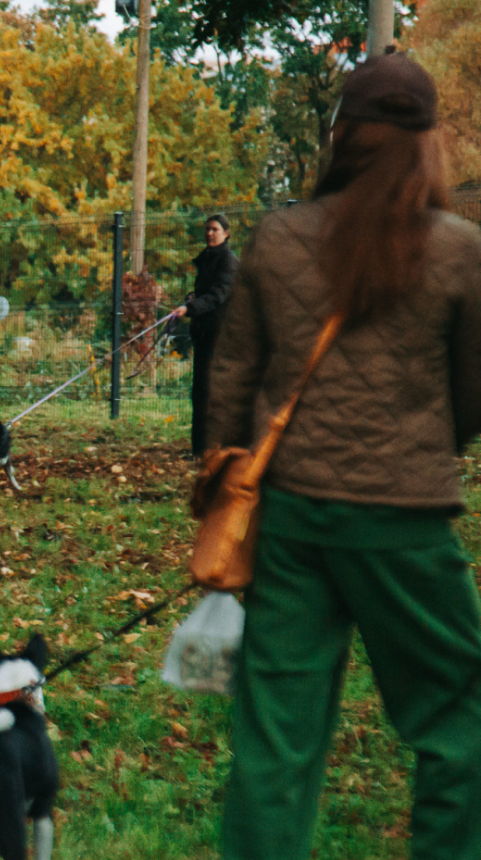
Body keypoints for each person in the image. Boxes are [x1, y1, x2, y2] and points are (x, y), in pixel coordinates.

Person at [208, 53, 481, 860]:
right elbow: (473, 395)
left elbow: (232, 380)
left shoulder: (280, 237)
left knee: (275, 740)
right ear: (427, 146)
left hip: (289, 518)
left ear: (341, 139)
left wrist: (230, 482)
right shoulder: (463, 251)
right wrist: (422, 440)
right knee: (460, 715)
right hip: (406, 525)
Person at [173, 213, 238, 457]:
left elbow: (218, 295)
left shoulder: (229, 261)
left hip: (221, 336)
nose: (209, 233)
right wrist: (192, 301)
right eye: (207, 229)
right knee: (199, 391)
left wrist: (190, 308)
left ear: (226, 233)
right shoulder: (208, 259)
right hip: (203, 334)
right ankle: (199, 448)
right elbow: (206, 294)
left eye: (215, 229)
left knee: (214, 393)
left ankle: (217, 448)